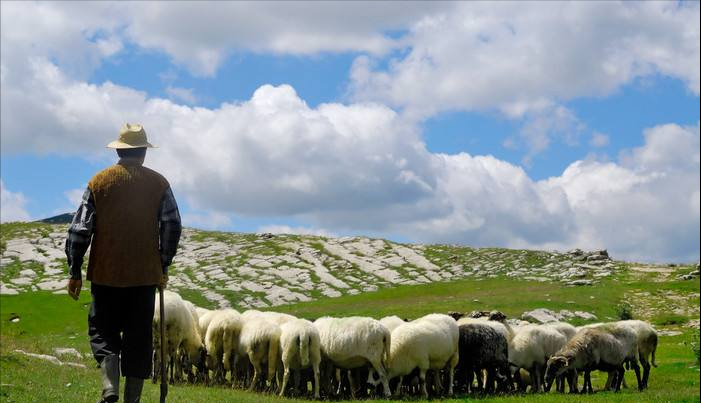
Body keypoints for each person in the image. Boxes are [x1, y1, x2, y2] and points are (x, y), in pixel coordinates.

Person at [65, 123, 182, 403]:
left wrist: (75, 270)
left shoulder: (99, 182)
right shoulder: (159, 184)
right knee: (138, 337)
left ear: (119, 150)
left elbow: (80, 229)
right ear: (144, 153)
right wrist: (162, 264)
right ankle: (132, 400)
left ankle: (110, 388)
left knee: (102, 331)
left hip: (106, 274)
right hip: (143, 277)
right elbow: (172, 225)